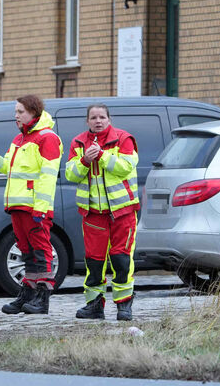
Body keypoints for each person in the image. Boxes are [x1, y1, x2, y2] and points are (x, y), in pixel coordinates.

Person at [0, 95, 62, 315]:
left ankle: (42, 298)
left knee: (41, 251)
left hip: (34, 207)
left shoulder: (47, 138)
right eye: (15, 112)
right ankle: (29, 294)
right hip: (18, 205)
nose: (16, 116)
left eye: (20, 111)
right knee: (27, 252)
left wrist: (41, 208)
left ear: (33, 112)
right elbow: (10, 169)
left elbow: (48, 176)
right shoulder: (19, 140)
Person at [65, 104, 139, 321]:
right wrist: (85, 160)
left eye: (102, 117)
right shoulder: (79, 142)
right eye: (93, 117)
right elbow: (70, 174)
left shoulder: (124, 138)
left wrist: (102, 157)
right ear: (87, 121)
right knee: (94, 262)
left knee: (121, 260)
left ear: (109, 119)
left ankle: (124, 305)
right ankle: (94, 305)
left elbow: (126, 166)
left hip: (122, 211)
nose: (98, 121)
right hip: (93, 214)